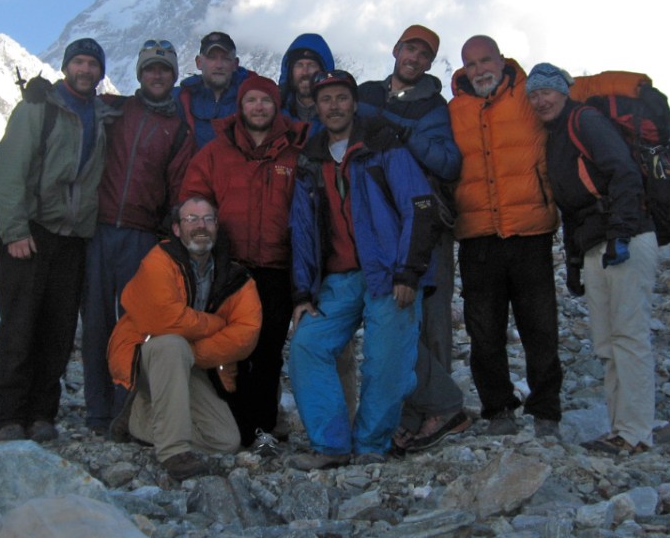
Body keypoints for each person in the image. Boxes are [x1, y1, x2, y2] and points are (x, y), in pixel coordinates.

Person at [288, 70, 439, 468]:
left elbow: (419, 205)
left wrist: (408, 272)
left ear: (354, 103)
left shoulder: (381, 144)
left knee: (385, 360)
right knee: (307, 346)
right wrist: (302, 293)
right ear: (316, 107)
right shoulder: (311, 158)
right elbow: (302, 229)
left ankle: (372, 444)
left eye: (341, 98)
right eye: (326, 99)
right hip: (337, 281)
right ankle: (331, 445)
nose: (334, 106)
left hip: (389, 274)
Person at [526, 63, 659, 454]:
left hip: (626, 239)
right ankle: (622, 429)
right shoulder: (556, 136)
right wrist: (573, 264)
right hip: (596, 245)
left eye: (547, 91)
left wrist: (620, 233)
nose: (540, 100)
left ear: (564, 92)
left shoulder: (585, 121)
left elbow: (624, 174)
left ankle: (636, 433)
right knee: (606, 341)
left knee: (628, 335)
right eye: (533, 95)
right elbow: (571, 207)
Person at [0, 37, 116, 442]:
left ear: (100, 73)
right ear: (66, 67)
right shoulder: (37, 108)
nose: (85, 70)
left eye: (92, 65)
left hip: (73, 239)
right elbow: (9, 170)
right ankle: (10, 417)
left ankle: (43, 414)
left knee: (59, 331)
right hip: (32, 233)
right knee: (20, 328)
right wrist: (14, 231)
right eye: (78, 62)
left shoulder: (101, 113)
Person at [357, 24, 469, 452]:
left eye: (423, 54)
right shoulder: (366, 92)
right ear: (396, 50)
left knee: (430, 318)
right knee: (393, 315)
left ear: (428, 63)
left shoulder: (434, 108)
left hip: (425, 223)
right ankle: (412, 412)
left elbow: (448, 162)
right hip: (377, 221)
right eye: (410, 49)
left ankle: (438, 412)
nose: (414, 58)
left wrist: (404, 135)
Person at [179, 75, 307, 449]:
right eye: (251, 100)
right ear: (241, 106)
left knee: (267, 350)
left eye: (265, 101)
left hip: (277, 267)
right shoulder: (216, 152)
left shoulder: (294, 152)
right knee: (229, 348)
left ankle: (262, 428)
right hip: (230, 269)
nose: (258, 108)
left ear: (276, 106)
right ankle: (230, 425)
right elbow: (193, 200)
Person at [448, 35, 563, 437]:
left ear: (501, 60)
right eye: (471, 64)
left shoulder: (528, 95)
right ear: (462, 69)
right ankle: (499, 410)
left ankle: (546, 410)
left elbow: (585, 88)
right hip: (478, 236)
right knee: (485, 331)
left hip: (530, 231)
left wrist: (635, 85)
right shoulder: (454, 110)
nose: (479, 70)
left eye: (485, 61)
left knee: (540, 327)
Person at [82, 39, 194, 435]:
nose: (157, 75)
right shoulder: (115, 109)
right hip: (98, 229)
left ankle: (124, 410)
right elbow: (75, 103)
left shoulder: (179, 129)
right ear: (140, 74)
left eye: (164, 70)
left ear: (173, 76)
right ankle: (98, 412)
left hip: (143, 237)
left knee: (133, 326)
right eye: (150, 69)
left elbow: (179, 188)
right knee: (95, 323)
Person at [106, 197, 262, 480]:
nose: (200, 226)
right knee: (171, 343)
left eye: (208, 219)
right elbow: (165, 319)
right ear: (177, 229)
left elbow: (245, 335)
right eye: (191, 219)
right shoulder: (159, 260)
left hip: (190, 362)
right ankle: (173, 452)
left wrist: (194, 353)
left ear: (217, 227)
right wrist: (215, 324)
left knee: (225, 441)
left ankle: (138, 419)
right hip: (145, 356)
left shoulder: (236, 277)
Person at [175, 31, 255, 150]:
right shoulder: (180, 98)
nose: (219, 65)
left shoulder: (252, 98)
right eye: (212, 58)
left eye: (226, 58)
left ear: (235, 64)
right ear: (198, 62)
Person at [277, 33, 335, 129]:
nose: (305, 72)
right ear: (290, 71)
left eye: (311, 65)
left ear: (324, 71)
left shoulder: (341, 114)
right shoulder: (274, 112)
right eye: (299, 65)